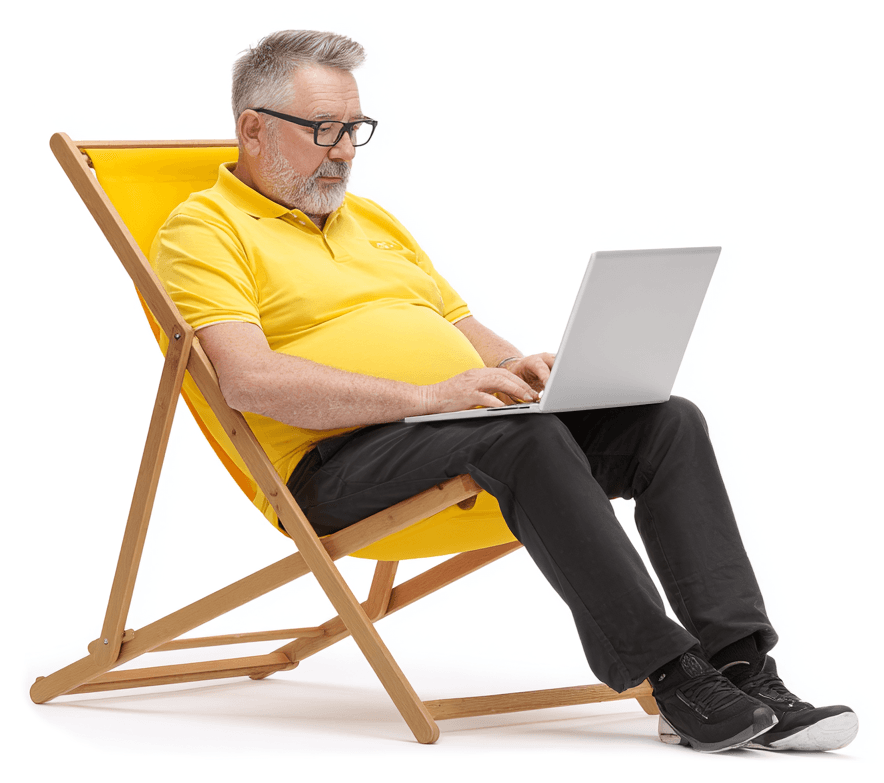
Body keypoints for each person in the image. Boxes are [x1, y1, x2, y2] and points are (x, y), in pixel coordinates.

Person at [150, 29, 857, 753]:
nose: (344, 151)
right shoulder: (203, 230)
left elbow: (465, 329)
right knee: (522, 436)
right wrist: (427, 397)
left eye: (355, 129)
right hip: (337, 467)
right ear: (253, 129)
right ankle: (672, 675)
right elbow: (250, 381)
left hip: (459, 430)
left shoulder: (373, 221)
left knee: (665, 420)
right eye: (324, 129)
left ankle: (743, 664)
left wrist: (529, 371)